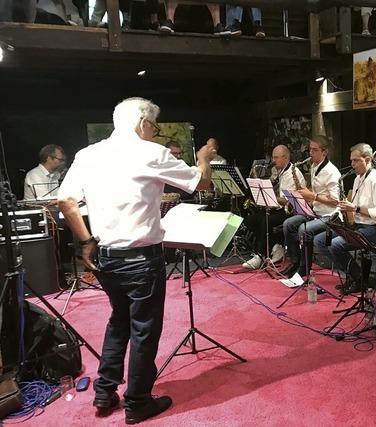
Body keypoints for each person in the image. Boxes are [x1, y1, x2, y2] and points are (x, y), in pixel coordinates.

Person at [57, 97, 217, 424]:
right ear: (142, 122)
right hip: (142, 259)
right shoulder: (150, 153)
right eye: (154, 127)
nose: (154, 133)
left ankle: (105, 391)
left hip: (106, 257)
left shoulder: (88, 154)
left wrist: (86, 241)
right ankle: (138, 401)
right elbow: (201, 182)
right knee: (144, 329)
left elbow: (65, 200)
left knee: (119, 320)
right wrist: (203, 158)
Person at [313, 143, 376, 295]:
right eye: (351, 160)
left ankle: (359, 279)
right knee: (321, 240)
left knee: (336, 245)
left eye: (356, 160)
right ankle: (352, 273)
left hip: (375, 229)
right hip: (358, 225)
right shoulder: (358, 179)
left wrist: (355, 208)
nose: (352, 164)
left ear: (368, 159)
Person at [279, 135, 341, 278]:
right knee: (288, 224)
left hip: (330, 215)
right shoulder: (314, 167)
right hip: (315, 211)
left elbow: (335, 201)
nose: (311, 153)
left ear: (324, 152)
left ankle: (304, 267)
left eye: (315, 150)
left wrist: (312, 196)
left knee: (304, 229)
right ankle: (295, 261)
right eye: (310, 150)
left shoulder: (331, 172)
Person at [242, 144, 305, 269]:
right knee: (251, 220)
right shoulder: (280, 171)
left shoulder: (293, 174)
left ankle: (261, 255)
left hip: (292, 210)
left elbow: (289, 202)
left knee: (266, 221)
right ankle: (275, 245)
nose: (273, 160)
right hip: (280, 208)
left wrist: (270, 196)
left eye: (276, 157)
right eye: (273, 157)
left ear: (285, 157)